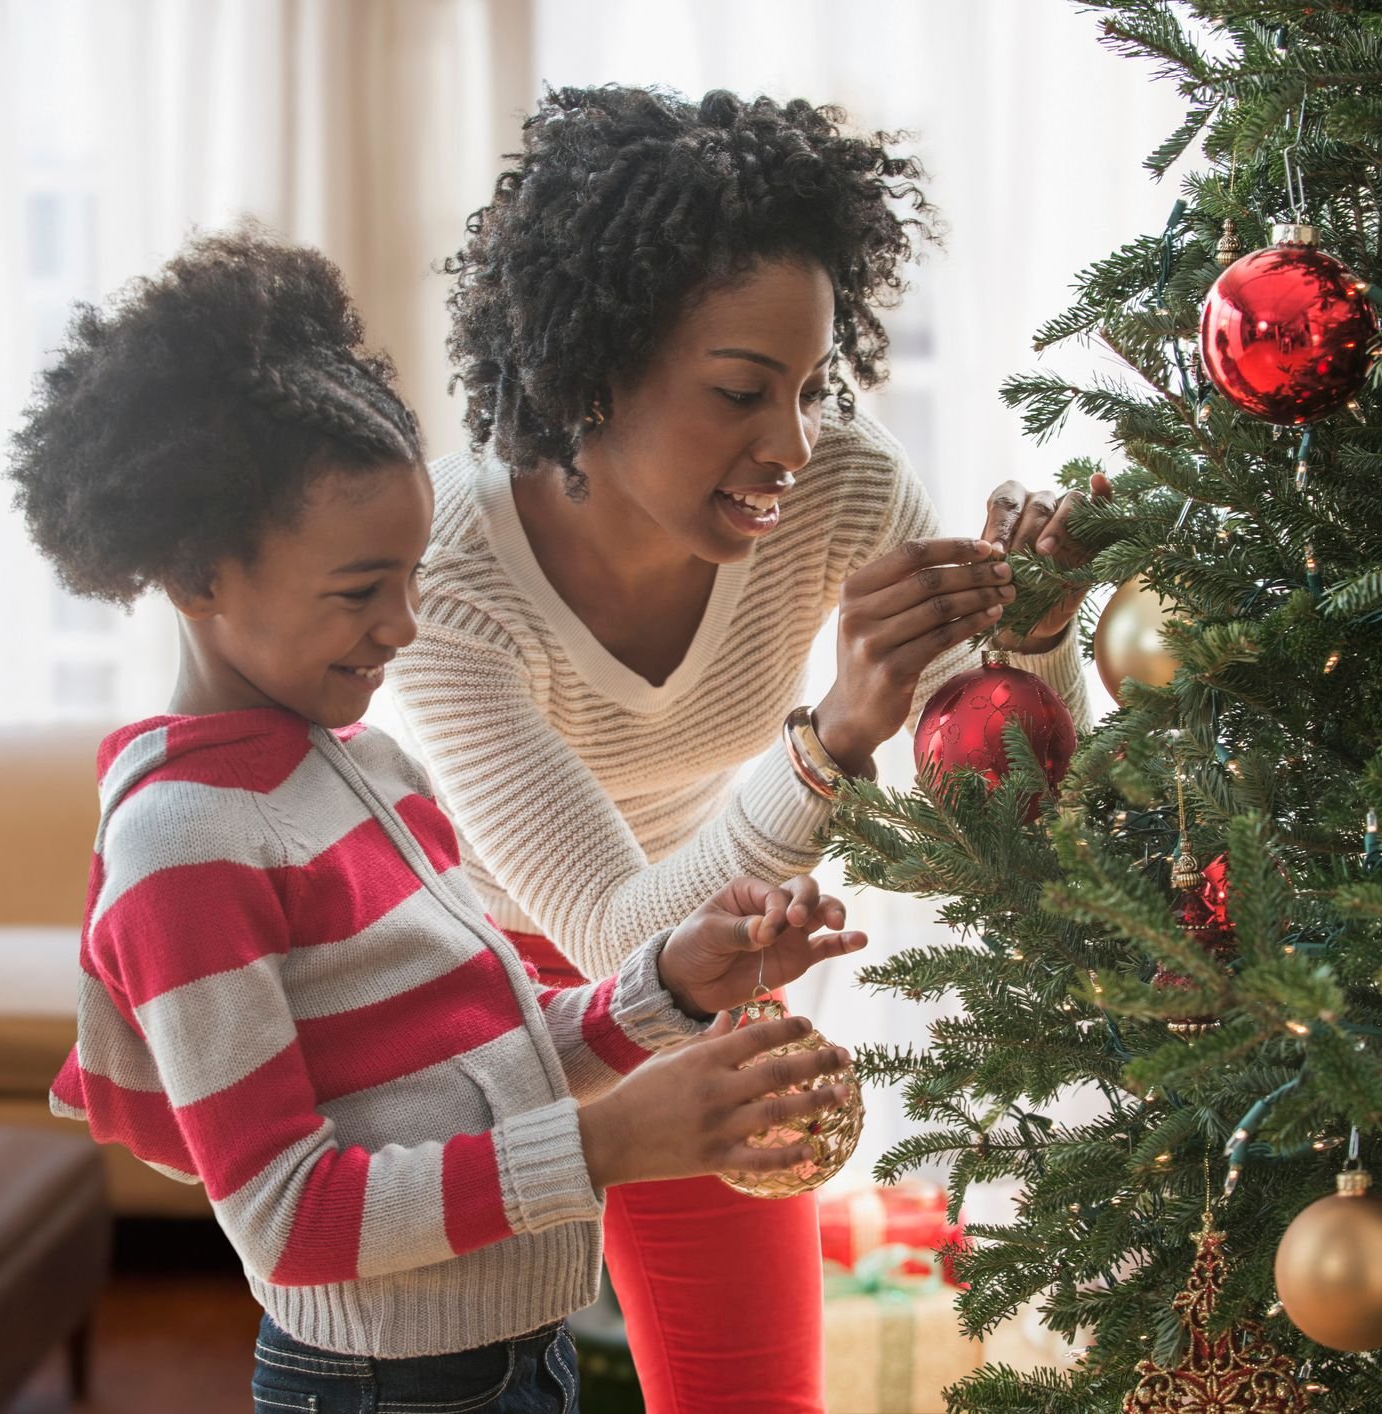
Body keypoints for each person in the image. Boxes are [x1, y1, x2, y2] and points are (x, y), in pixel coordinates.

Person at [11, 225, 867, 1414]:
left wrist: (669, 984)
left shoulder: (370, 766)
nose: (405, 626)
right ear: (201, 576)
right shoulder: (184, 845)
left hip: (514, 1354)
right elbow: (290, 1217)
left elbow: (482, 1072)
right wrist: (613, 1147)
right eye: (360, 591)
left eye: (410, 575)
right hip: (379, 1387)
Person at [391, 87, 1107, 1413]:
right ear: (589, 368)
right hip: (458, 982)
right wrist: (830, 738)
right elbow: (612, 931)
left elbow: (998, 810)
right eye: (736, 392)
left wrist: (1036, 636)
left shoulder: (837, 483)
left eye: (803, 384)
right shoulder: (447, 573)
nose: (785, 443)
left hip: (705, 952)